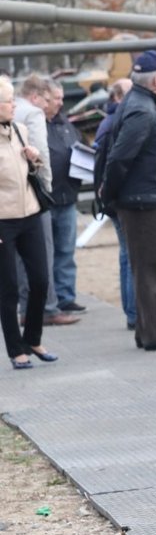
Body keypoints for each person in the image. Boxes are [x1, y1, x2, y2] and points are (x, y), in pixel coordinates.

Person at [100, 51, 156, 351]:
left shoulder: (139, 103)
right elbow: (120, 157)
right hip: (144, 201)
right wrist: (109, 194)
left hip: (146, 197)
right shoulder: (142, 110)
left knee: (149, 267)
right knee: (152, 269)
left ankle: (148, 331)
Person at [0, 78, 54, 369]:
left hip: (30, 214)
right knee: (7, 287)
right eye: (9, 101)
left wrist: (34, 160)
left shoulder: (19, 130)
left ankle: (33, 338)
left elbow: (30, 171)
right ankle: (15, 349)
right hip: (2, 222)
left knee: (40, 280)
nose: (14, 106)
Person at [18, 74, 80, 327]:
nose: (49, 105)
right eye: (48, 99)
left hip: (34, 196)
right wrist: (46, 185)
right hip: (39, 196)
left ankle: (34, 307)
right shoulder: (32, 114)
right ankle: (48, 308)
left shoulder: (60, 122)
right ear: (35, 97)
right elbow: (40, 153)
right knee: (42, 253)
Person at [93, 78, 137, 332]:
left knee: (125, 256)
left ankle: (130, 311)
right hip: (121, 200)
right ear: (118, 98)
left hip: (113, 199)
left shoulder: (109, 122)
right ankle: (133, 313)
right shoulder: (115, 124)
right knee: (131, 257)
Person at [43, 80, 84, 314]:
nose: (60, 102)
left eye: (60, 98)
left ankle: (66, 295)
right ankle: (49, 300)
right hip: (46, 201)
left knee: (66, 251)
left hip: (67, 197)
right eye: (56, 98)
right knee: (46, 253)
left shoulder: (65, 124)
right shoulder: (35, 124)